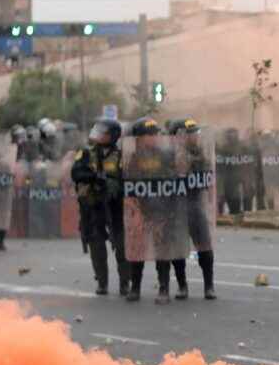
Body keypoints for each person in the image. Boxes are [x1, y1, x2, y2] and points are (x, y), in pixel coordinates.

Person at [122, 117, 180, 304]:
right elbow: (126, 183)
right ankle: (135, 287)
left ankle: (163, 288)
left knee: (161, 249)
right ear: (138, 138)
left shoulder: (165, 155)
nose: (153, 138)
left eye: (154, 134)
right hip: (139, 209)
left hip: (160, 208)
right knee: (137, 249)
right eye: (148, 135)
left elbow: (173, 179)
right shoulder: (131, 158)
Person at [71, 118, 130, 296]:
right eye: (97, 130)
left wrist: (113, 185)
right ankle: (102, 282)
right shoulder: (86, 153)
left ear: (113, 136)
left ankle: (125, 284)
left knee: (122, 246)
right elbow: (76, 173)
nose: (98, 135)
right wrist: (95, 178)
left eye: (103, 132)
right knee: (96, 244)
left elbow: (128, 179)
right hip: (93, 205)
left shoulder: (122, 155)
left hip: (116, 207)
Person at [170, 118, 217, 300]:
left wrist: (187, 157)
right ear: (179, 136)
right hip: (175, 206)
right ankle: (182, 286)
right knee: (177, 249)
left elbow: (204, 170)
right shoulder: (167, 154)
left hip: (194, 203)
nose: (195, 137)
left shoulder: (199, 153)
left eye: (195, 134)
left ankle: (209, 286)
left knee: (204, 246)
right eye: (190, 134)